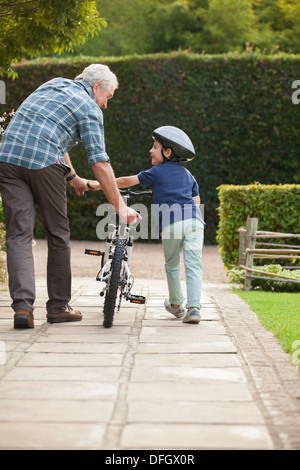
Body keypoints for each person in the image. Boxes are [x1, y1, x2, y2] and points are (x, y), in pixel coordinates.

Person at [0, 63, 140, 329]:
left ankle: (22, 308)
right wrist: (120, 206)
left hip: (7, 159)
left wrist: (72, 177)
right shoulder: (88, 107)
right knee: (58, 233)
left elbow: (49, 131)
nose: (105, 106)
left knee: (18, 234)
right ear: (96, 87)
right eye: (107, 98)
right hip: (43, 162)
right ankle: (58, 307)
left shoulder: (53, 84)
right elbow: (99, 163)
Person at [89, 126, 205, 324]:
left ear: (167, 152)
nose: (150, 150)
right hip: (195, 221)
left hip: (172, 223)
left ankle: (177, 304)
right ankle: (194, 309)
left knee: (172, 264)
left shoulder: (157, 172)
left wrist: (101, 184)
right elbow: (196, 202)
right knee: (194, 265)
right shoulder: (189, 176)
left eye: (155, 146)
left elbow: (127, 180)